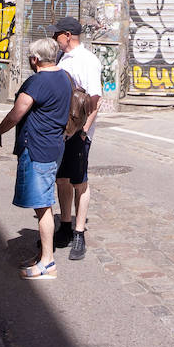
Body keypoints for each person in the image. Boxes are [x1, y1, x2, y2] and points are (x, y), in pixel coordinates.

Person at [0, 36, 72, 280]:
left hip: (37, 149)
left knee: (43, 205)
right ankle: (42, 257)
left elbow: (17, 113)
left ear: (35, 59)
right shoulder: (64, 77)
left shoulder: (38, 82)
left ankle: (48, 262)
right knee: (42, 202)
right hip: (54, 146)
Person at [51, 16, 101, 261]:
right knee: (62, 179)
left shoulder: (87, 60)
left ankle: (79, 232)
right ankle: (65, 225)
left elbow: (95, 99)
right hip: (63, 130)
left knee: (79, 181)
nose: (55, 39)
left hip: (79, 131)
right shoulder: (63, 57)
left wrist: (84, 132)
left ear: (68, 35)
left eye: (57, 35)